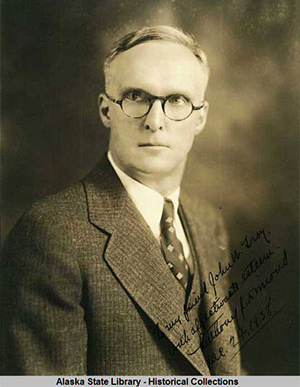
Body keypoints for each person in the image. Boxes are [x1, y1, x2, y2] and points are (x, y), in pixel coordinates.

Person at [1, 26, 241, 375]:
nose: (155, 122)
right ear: (106, 110)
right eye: (136, 97)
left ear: (200, 117)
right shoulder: (52, 232)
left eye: (176, 100)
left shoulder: (207, 223)